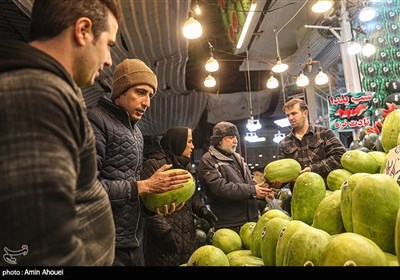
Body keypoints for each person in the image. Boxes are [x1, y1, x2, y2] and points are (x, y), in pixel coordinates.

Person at [0, 0, 122, 266]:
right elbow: (40, 252)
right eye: (109, 45)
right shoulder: (37, 94)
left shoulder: (52, 89)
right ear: (83, 30)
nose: (109, 60)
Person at [87, 59, 191, 266]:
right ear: (120, 92)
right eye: (141, 92)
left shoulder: (136, 133)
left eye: (150, 95)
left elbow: (133, 191)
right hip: (104, 244)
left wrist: (154, 206)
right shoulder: (95, 121)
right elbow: (86, 190)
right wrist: (144, 186)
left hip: (134, 242)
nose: (147, 103)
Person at [140, 126, 218, 266]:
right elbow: (146, 204)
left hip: (187, 238)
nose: (193, 146)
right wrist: (164, 232)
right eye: (189, 142)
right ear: (178, 142)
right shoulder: (155, 164)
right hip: (162, 242)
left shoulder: (185, 166)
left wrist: (202, 210)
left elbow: (191, 197)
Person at [197, 121, 273, 233]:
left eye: (236, 137)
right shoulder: (208, 160)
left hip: (250, 220)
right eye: (230, 137)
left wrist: (262, 191)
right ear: (219, 140)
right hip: (229, 225)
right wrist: (252, 190)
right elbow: (220, 189)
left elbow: (247, 184)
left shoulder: (237, 158)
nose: (235, 141)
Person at [276, 98, 346, 190]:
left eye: (294, 113)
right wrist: (277, 183)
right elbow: (282, 173)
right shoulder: (284, 143)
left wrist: (313, 169)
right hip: (300, 195)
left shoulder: (324, 133)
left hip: (326, 192)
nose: (290, 118)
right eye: (288, 115)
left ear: (305, 113)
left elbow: (340, 157)